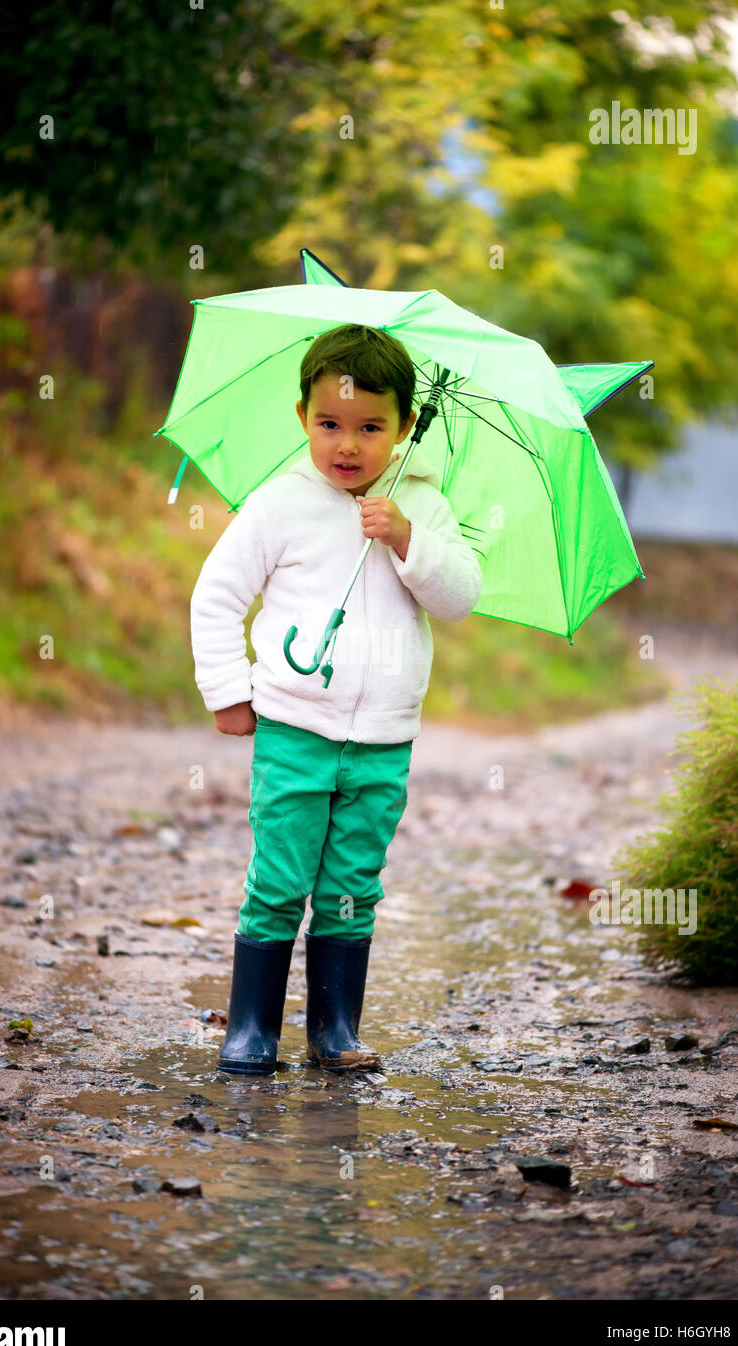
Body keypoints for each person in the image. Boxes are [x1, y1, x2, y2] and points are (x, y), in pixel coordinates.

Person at [189, 323, 483, 1076]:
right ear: (302, 420)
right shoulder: (280, 503)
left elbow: (458, 599)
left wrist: (409, 539)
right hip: (295, 727)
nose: (346, 445)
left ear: (405, 428)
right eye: (329, 424)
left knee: (352, 884)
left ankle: (335, 1030)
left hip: (383, 739)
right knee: (282, 877)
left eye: (369, 428)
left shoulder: (423, 506)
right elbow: (217, 597)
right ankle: (251, 1027)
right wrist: (228, 689)